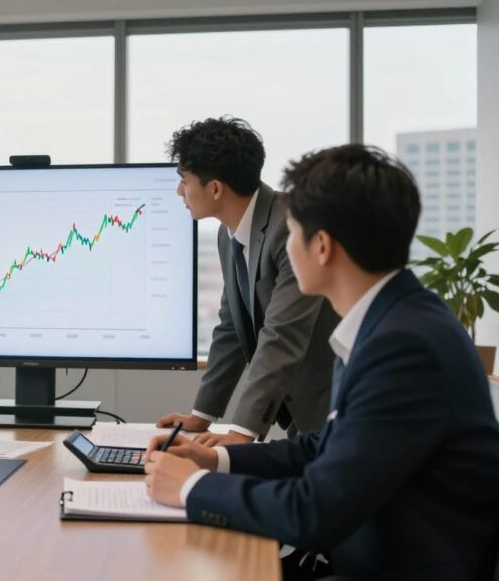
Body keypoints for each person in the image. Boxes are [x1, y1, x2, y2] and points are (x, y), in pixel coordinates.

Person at [144, 145, 499, 580]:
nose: (283, 247)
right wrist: (214, 462)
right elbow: (323, 446)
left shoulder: (404, 346)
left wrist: (190, 487)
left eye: (291, 233)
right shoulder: (388, 322)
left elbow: (313, 511)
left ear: (323, 246)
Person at [156, 117, 338, 445]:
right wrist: (202, 416)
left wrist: (241, 432)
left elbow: (281, 333)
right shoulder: (230, 236)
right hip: (302, 407)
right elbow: (231, 328)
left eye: (184, 180)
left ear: (214, 189)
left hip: (335, 405)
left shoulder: (289, 227)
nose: (179, 191)